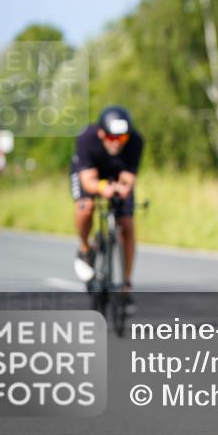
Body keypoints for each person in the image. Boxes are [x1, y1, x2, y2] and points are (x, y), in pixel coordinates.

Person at [71, 106, 144, 306]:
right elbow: (87, 181)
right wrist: (102, 187)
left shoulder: (135, 141)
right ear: (102, 133)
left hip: (116, 176)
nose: (117, 143)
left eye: (122, 139)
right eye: (112, 138)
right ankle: (85, 249)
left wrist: (124, 188)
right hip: (91, 175)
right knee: (86, 207)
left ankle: (126, 286)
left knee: (127, 224)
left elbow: (129, 177)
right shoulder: (87, 139)